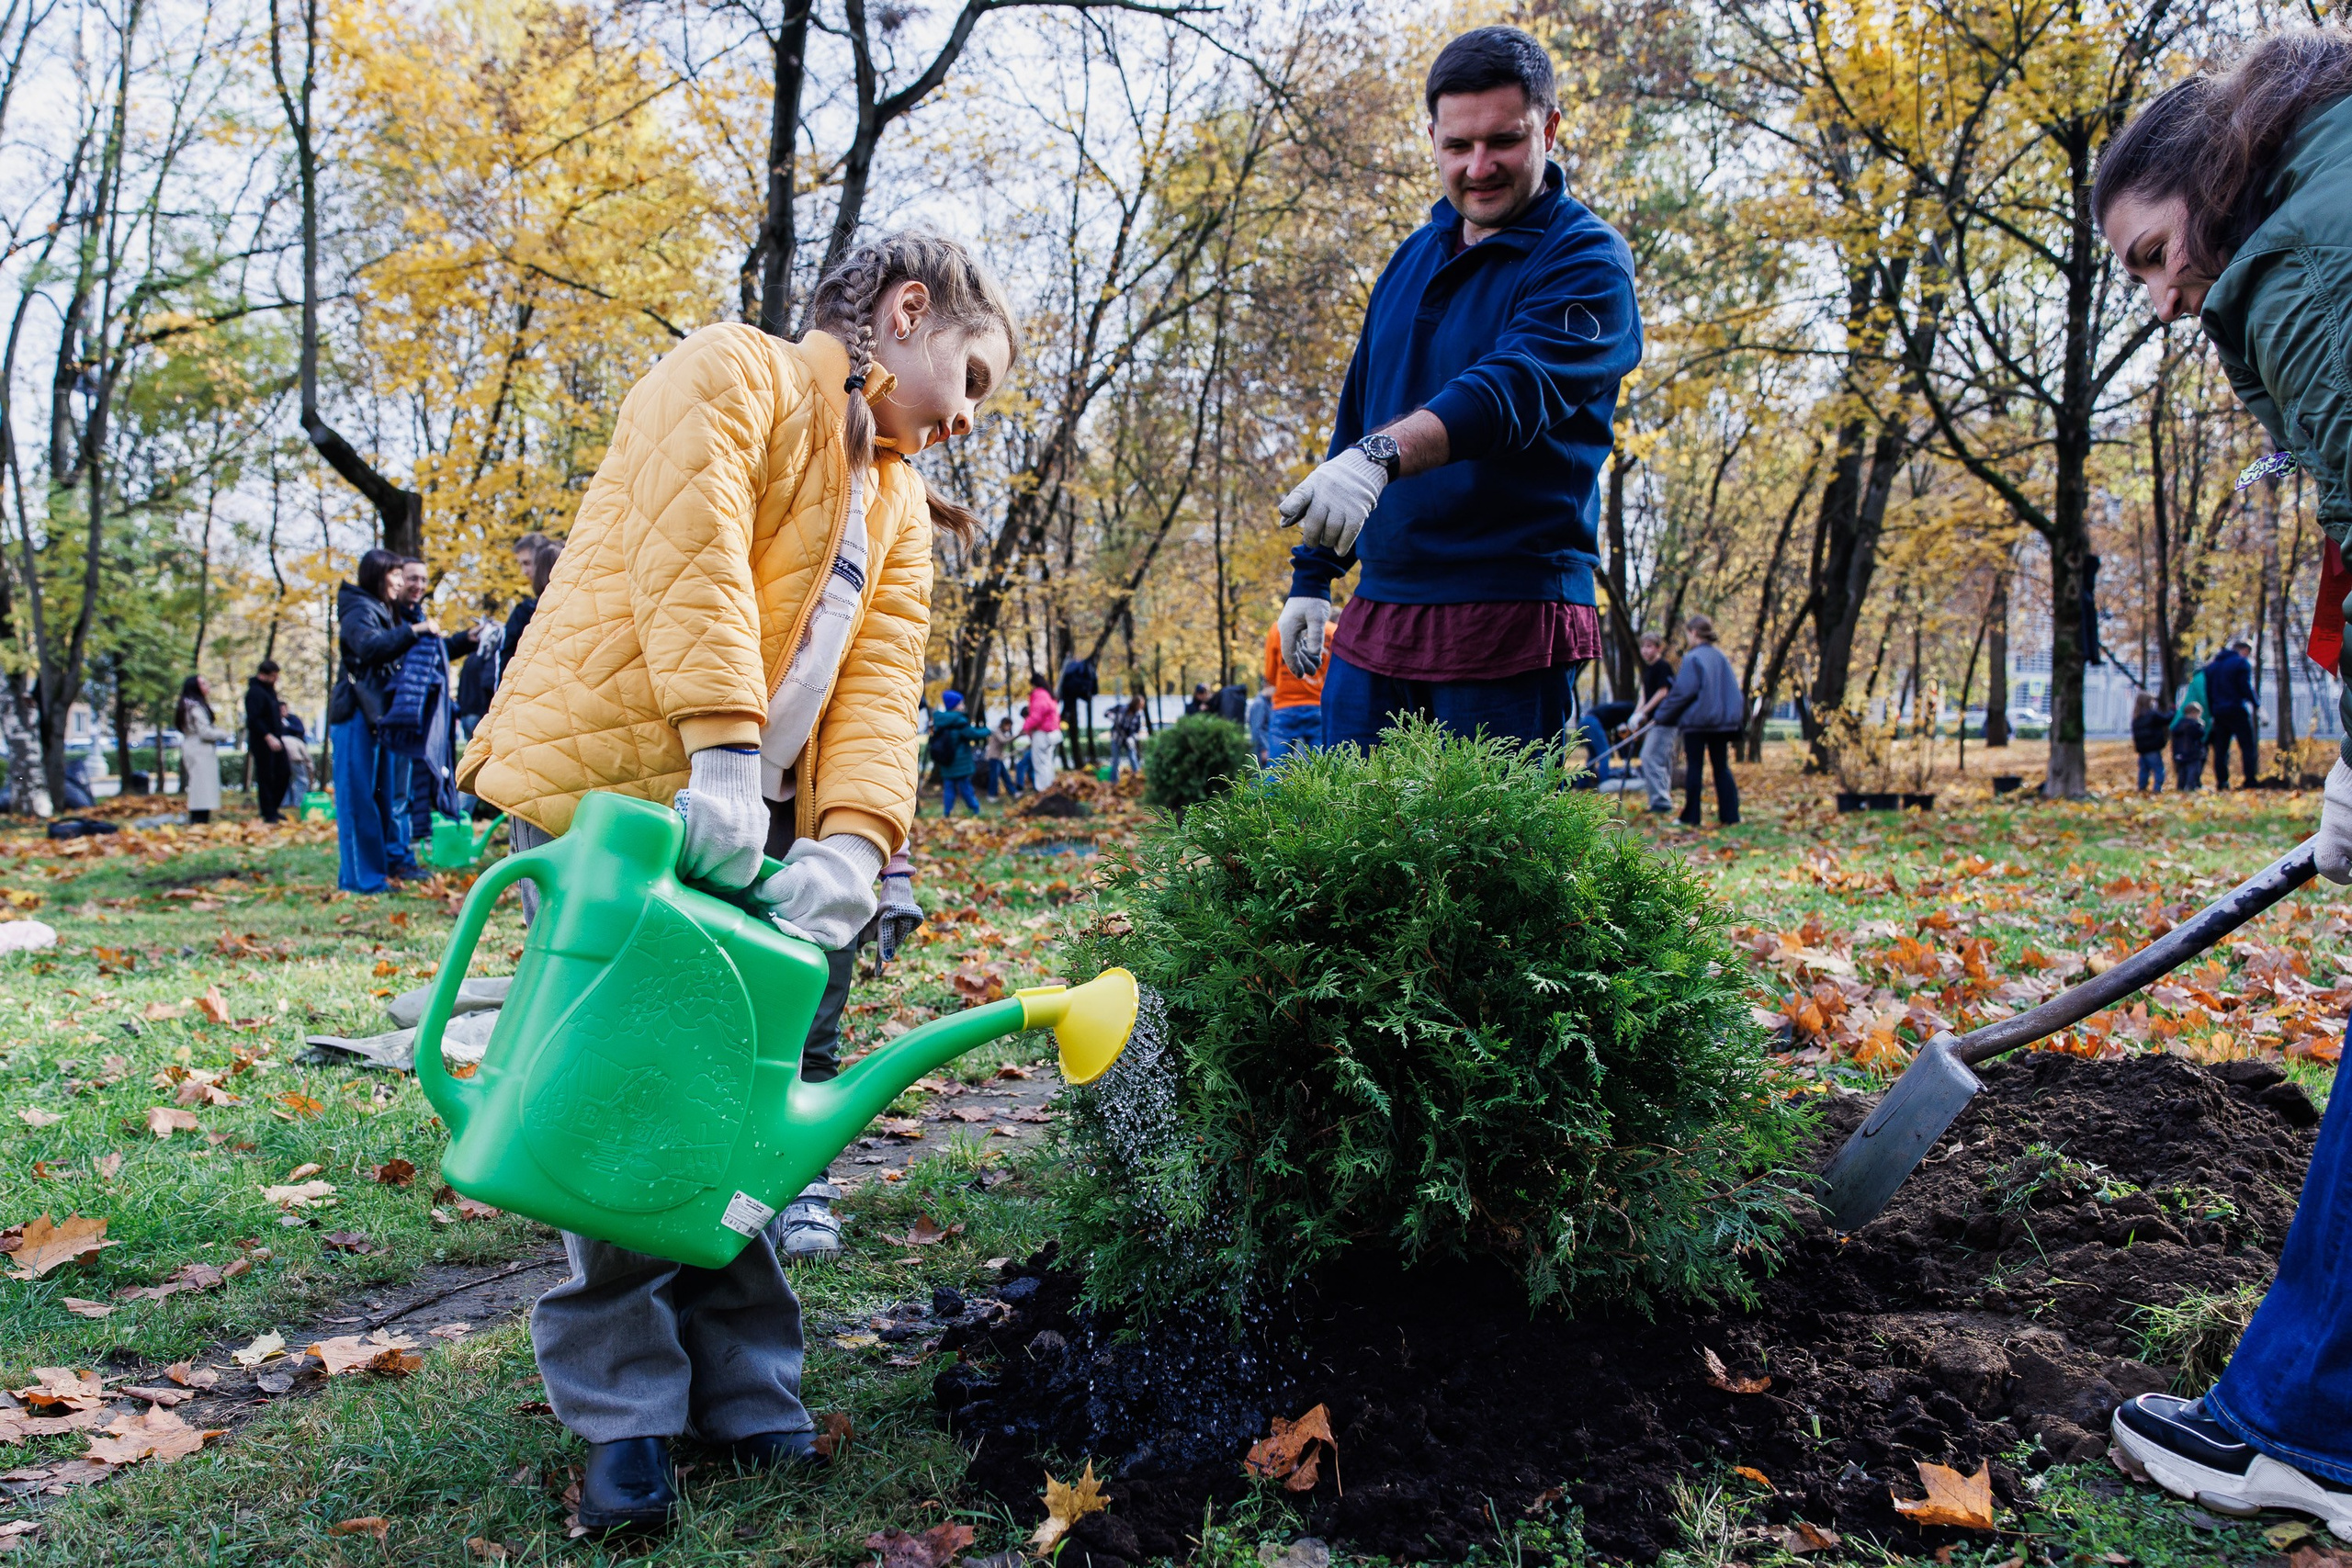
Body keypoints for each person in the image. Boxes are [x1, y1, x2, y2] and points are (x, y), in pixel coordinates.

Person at [455, 231, 1015, 1534]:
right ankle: (624, 1413)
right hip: (634, 804)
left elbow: (879, 691)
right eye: (972, 375)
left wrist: (855, 841)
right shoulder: (731, 373)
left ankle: (748, 1385)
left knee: (741, 1113)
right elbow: (687, 552)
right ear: (908, 310)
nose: (971, 414)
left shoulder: (895, 503)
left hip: (750, 831)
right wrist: (715, 745)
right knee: (619, 1112)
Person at [2098, 32, 2352, 1530]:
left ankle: (2306, 1429)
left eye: (2150, 256)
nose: (2159, 297)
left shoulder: (2298, 265)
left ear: (2211, 185)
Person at [1275, 26, 1639, 753]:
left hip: (1509, 607)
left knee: (1485, 858)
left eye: (1504, 141)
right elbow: (1361, 409)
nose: (1479, 166)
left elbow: (1512, 388)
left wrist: (1377, 456)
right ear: (1432, 137)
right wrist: (1313, 576)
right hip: (1383, 606)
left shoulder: (1588, 260)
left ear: (1550, 129)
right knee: (1349, 846)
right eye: (1457, 146)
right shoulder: (1411, 257)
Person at [333, 548, 432, 889]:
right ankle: (362, 879)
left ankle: (377, 873)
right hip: (354, 713)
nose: (401, 582)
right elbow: (369, 648)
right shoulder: (359, 610)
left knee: (378, 799)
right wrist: (414, 632)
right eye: (395, 576)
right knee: (357, 800)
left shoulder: (380, 610)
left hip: (375, 715)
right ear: (379, 576)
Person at [1652, 614, 1741, 828]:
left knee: (1695, 768)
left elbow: (1683, 692)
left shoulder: (1693, 658)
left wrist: (1661, 715)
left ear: (1694, 633)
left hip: (1697, 723)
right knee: (1721, 768)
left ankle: (1691, 816)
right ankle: (1730, 816)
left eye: (1687, 634)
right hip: (1720, 724)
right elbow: (1733, 692)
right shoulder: (1720, 657)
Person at [1263, 618, 1325, 759]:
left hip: (1284, 706)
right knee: (1321, 767)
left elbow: (1270, 674)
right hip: (1317, 704)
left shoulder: (1277, 628)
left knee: (1277, 769)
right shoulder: (1328, 630)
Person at [2201, 638, 2258, 789]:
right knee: (2247, 746)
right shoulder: (2240, 663)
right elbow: (2245, 687)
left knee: (2221, 749)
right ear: (2244, 650)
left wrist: (2213, 711)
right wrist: (2256, 704)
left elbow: (2208, 692)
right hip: (2236, 709)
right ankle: (2250, 780)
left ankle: (2222, 781)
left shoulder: (2212, 667)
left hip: (2219, 712)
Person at [175, 676, 232, 826]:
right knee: (202, 786)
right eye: (203, 684)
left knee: (199, 784)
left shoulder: (186, 705)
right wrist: (223, 734)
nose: (207, 686)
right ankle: (199, 819)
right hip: (200, 749)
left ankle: (198, 818)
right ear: (195, 687)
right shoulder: (196, 707)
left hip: (192, 747)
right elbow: (205, 732)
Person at [244, 660, 290, 823]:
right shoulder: (255, 693)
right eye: (273, 676)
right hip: (263, 740)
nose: (275, 679)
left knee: (284, 771)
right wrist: (268, 736)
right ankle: (268, 812)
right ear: (263, 675)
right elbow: (253, 719)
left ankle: (274, 807)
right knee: (266, 776)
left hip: (276, 738)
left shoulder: (270, 691)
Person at [928, 691, 980, 817]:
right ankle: (975, 809)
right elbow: (972, 734)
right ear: (955, 705)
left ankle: (947, 812)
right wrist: (987, 730)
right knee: (966, 788)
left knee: (949, 789)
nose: (963, 705)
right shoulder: (959, 721)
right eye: (961, 703)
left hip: (946, 761)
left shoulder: (940, 721)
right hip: (960, 763)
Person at [1020, 671, 1060, 792]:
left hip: (1042, 733)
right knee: (1047, 763)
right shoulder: (1049, 695)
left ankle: (1042, 790)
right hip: (1052, 733)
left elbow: (1036, 716)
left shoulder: (1039, 695)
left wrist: (1025, 727)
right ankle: (1049, 788)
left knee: (1039, 763)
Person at [2131, 693, 2175, 793]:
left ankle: (2142, 787)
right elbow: (2166, 719)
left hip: (2142, 748)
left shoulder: (2136, 716)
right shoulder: (2152, 714)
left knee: (2144, 769)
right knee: (2158, 768)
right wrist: (2173, 711)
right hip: (2152, 746)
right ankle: (2157, 788)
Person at [280, 703, 313, 809]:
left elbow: (300, 730)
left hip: (289, 753)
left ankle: (286, 803)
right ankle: (298, 803)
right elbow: (307, 760)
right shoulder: (276, 722)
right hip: (294, 756)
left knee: (285, 779)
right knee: (301, 779)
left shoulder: (293, 720)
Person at [1108, 694, 1147, 780]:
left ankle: (1138, 778)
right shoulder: (1121, 708)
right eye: (1140, 704)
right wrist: (1110, 715)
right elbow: (1107, 712)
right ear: (1135, 703)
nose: (1141, 707)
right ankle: (1113, 782)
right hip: (1116, 738)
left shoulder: (1138, 715)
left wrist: (1132, 738)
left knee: (1133, 758)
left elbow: (1137, 730)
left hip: (1128, 740)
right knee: (1115, 761)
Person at [2171, 701, 2208, 793]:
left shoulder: (2179, 724)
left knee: (2182, 773)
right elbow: (2200, 734)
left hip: (2180, 753)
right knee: (2193, 771)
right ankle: (2191, 787)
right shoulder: (2194, 725)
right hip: (2192, 753)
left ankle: (2181, 787)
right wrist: (2201, 725)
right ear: (2194, 713)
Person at [982, 715, 1013, 796]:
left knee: (1005, 776)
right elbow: (1004, 741)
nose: (1009, 728)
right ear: (1004, 724)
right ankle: (991, 794)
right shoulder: (997, 731)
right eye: (1008, 726)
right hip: (993, 757)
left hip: (998, 758)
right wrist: (1017, 735)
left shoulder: (1002, 732)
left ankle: (1013, 791)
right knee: (994, 776)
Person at [1246, 684, 1273, 762]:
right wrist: (1264, 749)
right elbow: (1257, 729)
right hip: (1261, 751)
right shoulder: (1260, 703)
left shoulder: (1266, 702)